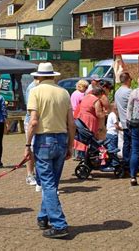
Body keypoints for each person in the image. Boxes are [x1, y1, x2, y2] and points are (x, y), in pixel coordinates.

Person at [26, 62, 76, 239]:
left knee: (47, 183)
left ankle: (59, 223)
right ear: (53, 76)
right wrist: (70, 144)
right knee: (52, 182)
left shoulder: (36, 91)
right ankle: (43, 216)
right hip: (61, 139)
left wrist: (27, 144)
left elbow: (33, 122)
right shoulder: (64, 92)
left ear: (38, 76)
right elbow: (72, 122)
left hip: (44, 140)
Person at [74, 87, 106, 155]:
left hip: (81, 118)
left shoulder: (86, 96)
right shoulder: (96, 100)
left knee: (82, 136)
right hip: (89, 120)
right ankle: (87, 154)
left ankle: (80, 154)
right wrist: (105, 114)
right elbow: (98, 113)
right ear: (100, 94)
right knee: (89, 137)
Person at [24, 77, 39, 189]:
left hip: (38, 121)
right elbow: (30, 109)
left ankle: (37, 174)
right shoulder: (32, 88)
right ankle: (30, 174)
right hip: (32, 121)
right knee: (31, 147)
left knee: (36, 148)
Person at [115, 72, 132, 170]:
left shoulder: (117, 92)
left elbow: (116, 107)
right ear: (128, 80)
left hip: (123, 121)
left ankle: (126, 163)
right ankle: (132, 165)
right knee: (133, 145)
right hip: (131, 122)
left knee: (126, 143)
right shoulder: (129, 92)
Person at [103, 103, 123, 169]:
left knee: (110, 148)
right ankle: (114, 163)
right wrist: (123, 129)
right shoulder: (114, 115)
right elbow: (116, 126)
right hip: (113, 134)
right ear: (115, 108)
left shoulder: (110, 114)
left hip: (109, 133)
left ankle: (111, 162)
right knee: (113, 149)